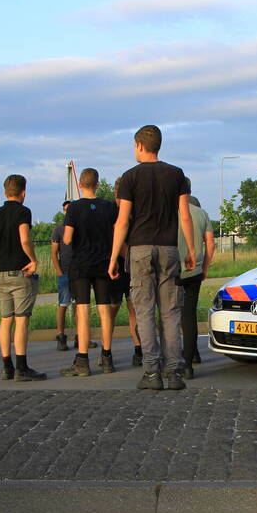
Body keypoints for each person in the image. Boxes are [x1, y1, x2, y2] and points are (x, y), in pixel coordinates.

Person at [108, 124, 195, 391]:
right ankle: (174, 373)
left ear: (140, 145)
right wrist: (191, 250)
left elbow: (122, 221)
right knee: (171, 312)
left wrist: (113, 257)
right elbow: (184, 216)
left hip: (140, 250)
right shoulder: (176, 174)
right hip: (169, 249)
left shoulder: (130, 177)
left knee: (144, 311)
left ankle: (151, 373)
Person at [61, 168, 119, 377]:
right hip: (103, 263)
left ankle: (83, 360)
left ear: (80, 185)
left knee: (83, 311)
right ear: (97, 184)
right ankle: (107, 357)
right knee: (105, 310)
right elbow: (117, 231)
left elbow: (67, 238)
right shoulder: (109, 206)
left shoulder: (74, 208)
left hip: (81, 264)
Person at [0, 173, 45, 382]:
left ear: (6, 192)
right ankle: (22, 367)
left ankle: (7, 366)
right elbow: (24, 239)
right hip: (20, 271)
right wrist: (33, 259)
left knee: (6, 319)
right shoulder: (23, 212)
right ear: (23, 192)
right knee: (22, 320)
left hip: (2, 272)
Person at [177, 192, 214, 380]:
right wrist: (205, 268)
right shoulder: (202, 213)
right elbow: (211, 244)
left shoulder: (171, 211)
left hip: (174, 269)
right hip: (195, 270)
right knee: (189, 315)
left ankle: (170, 360)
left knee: (168, 316)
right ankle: (188, 363)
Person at [111, 177, 143, 367]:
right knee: (121, 310)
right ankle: (109, 350)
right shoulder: (120, 212)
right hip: (124, 267)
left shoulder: (126, 211)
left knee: (129, 310)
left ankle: (136, 349)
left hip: (125, 268)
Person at [51, 200, 75, 352]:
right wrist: (59, 271)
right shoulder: (58, 230)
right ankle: (60, 336)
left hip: (79, 273)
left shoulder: (79, 228)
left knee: (80, 306)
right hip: (64, 272)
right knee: (63, 304)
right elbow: (54, 252)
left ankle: (81, 336)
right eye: (66, 209)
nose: (68, 212)